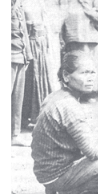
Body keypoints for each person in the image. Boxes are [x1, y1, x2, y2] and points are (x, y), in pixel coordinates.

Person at [31, 51, 98, 194]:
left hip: (48, 170)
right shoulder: (68, 105)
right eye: (84, 73)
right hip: (56, 176)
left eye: (92, 73)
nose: (90, 78)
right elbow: (93, 152)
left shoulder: (57, 96)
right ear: (66, 76)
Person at [62, 0, 98, 102]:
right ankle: (75, 92)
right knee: (74, 64)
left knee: (87, 64)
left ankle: (89, 93)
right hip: (72, 37)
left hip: (89, 37)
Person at [21, 0, 54, 126]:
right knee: (31, 80)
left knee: (43, 78)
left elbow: (46, 24)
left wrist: (47, 44)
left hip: (41, 44)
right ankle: (25, 117)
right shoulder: (21, 4)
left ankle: (42, 115)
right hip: (30, 44)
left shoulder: (40, 2)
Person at [12, 0, 33, 146]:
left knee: (17, 100)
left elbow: (23, 30)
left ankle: (14, 135)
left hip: (19, 56)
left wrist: (28, 55)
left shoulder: (18, 5)